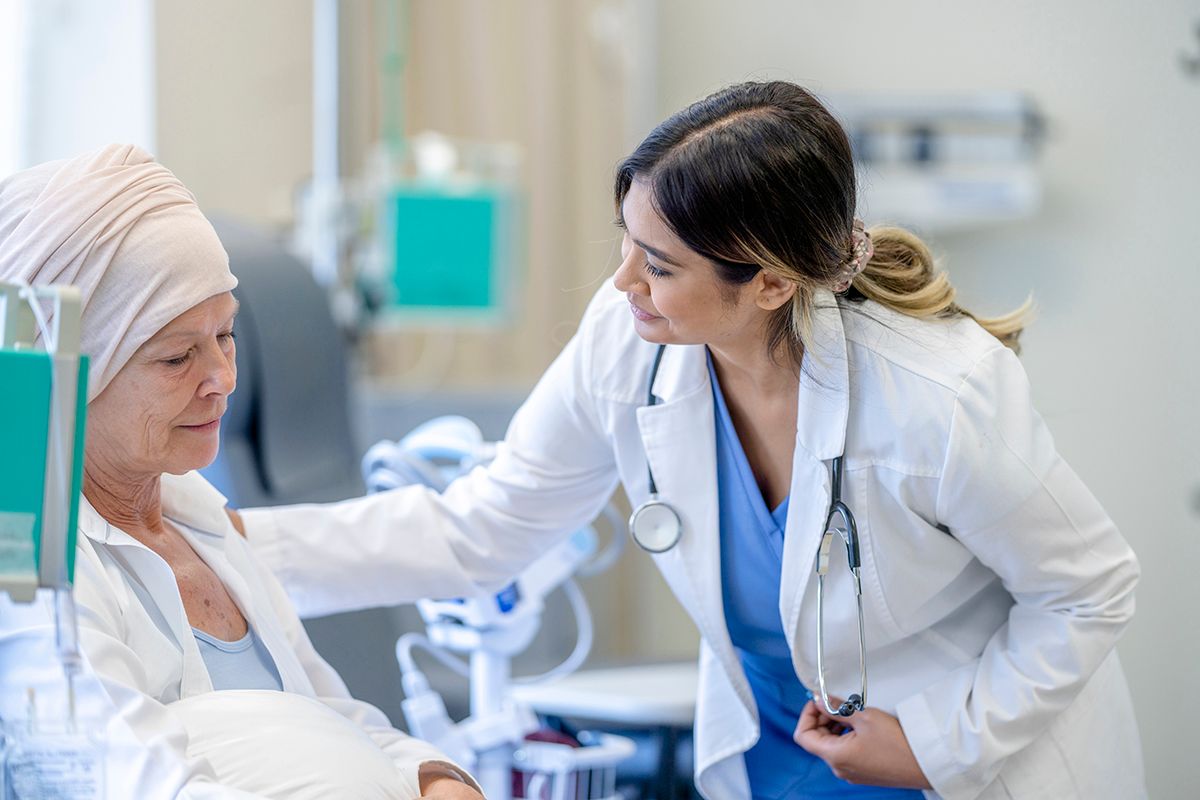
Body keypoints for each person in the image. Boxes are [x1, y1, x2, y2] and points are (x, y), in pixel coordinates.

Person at [233, 81, 1145, 800]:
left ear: (772, 285)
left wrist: (939, 745)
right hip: (780, 758)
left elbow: (1091, 589)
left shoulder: (938, 400)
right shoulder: (630, 337)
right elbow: (484, 528)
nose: (622, 282)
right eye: (625, 244)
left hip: (963, 762)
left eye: (659, 265)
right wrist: (225, 545)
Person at [0, 144, 482, 800]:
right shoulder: (34, 574)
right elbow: (131, 783)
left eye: (226, 337)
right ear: (78, 375)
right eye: (178, 358)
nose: (222, 379)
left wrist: (435, 778)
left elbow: (331, 723)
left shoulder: (204, 527)